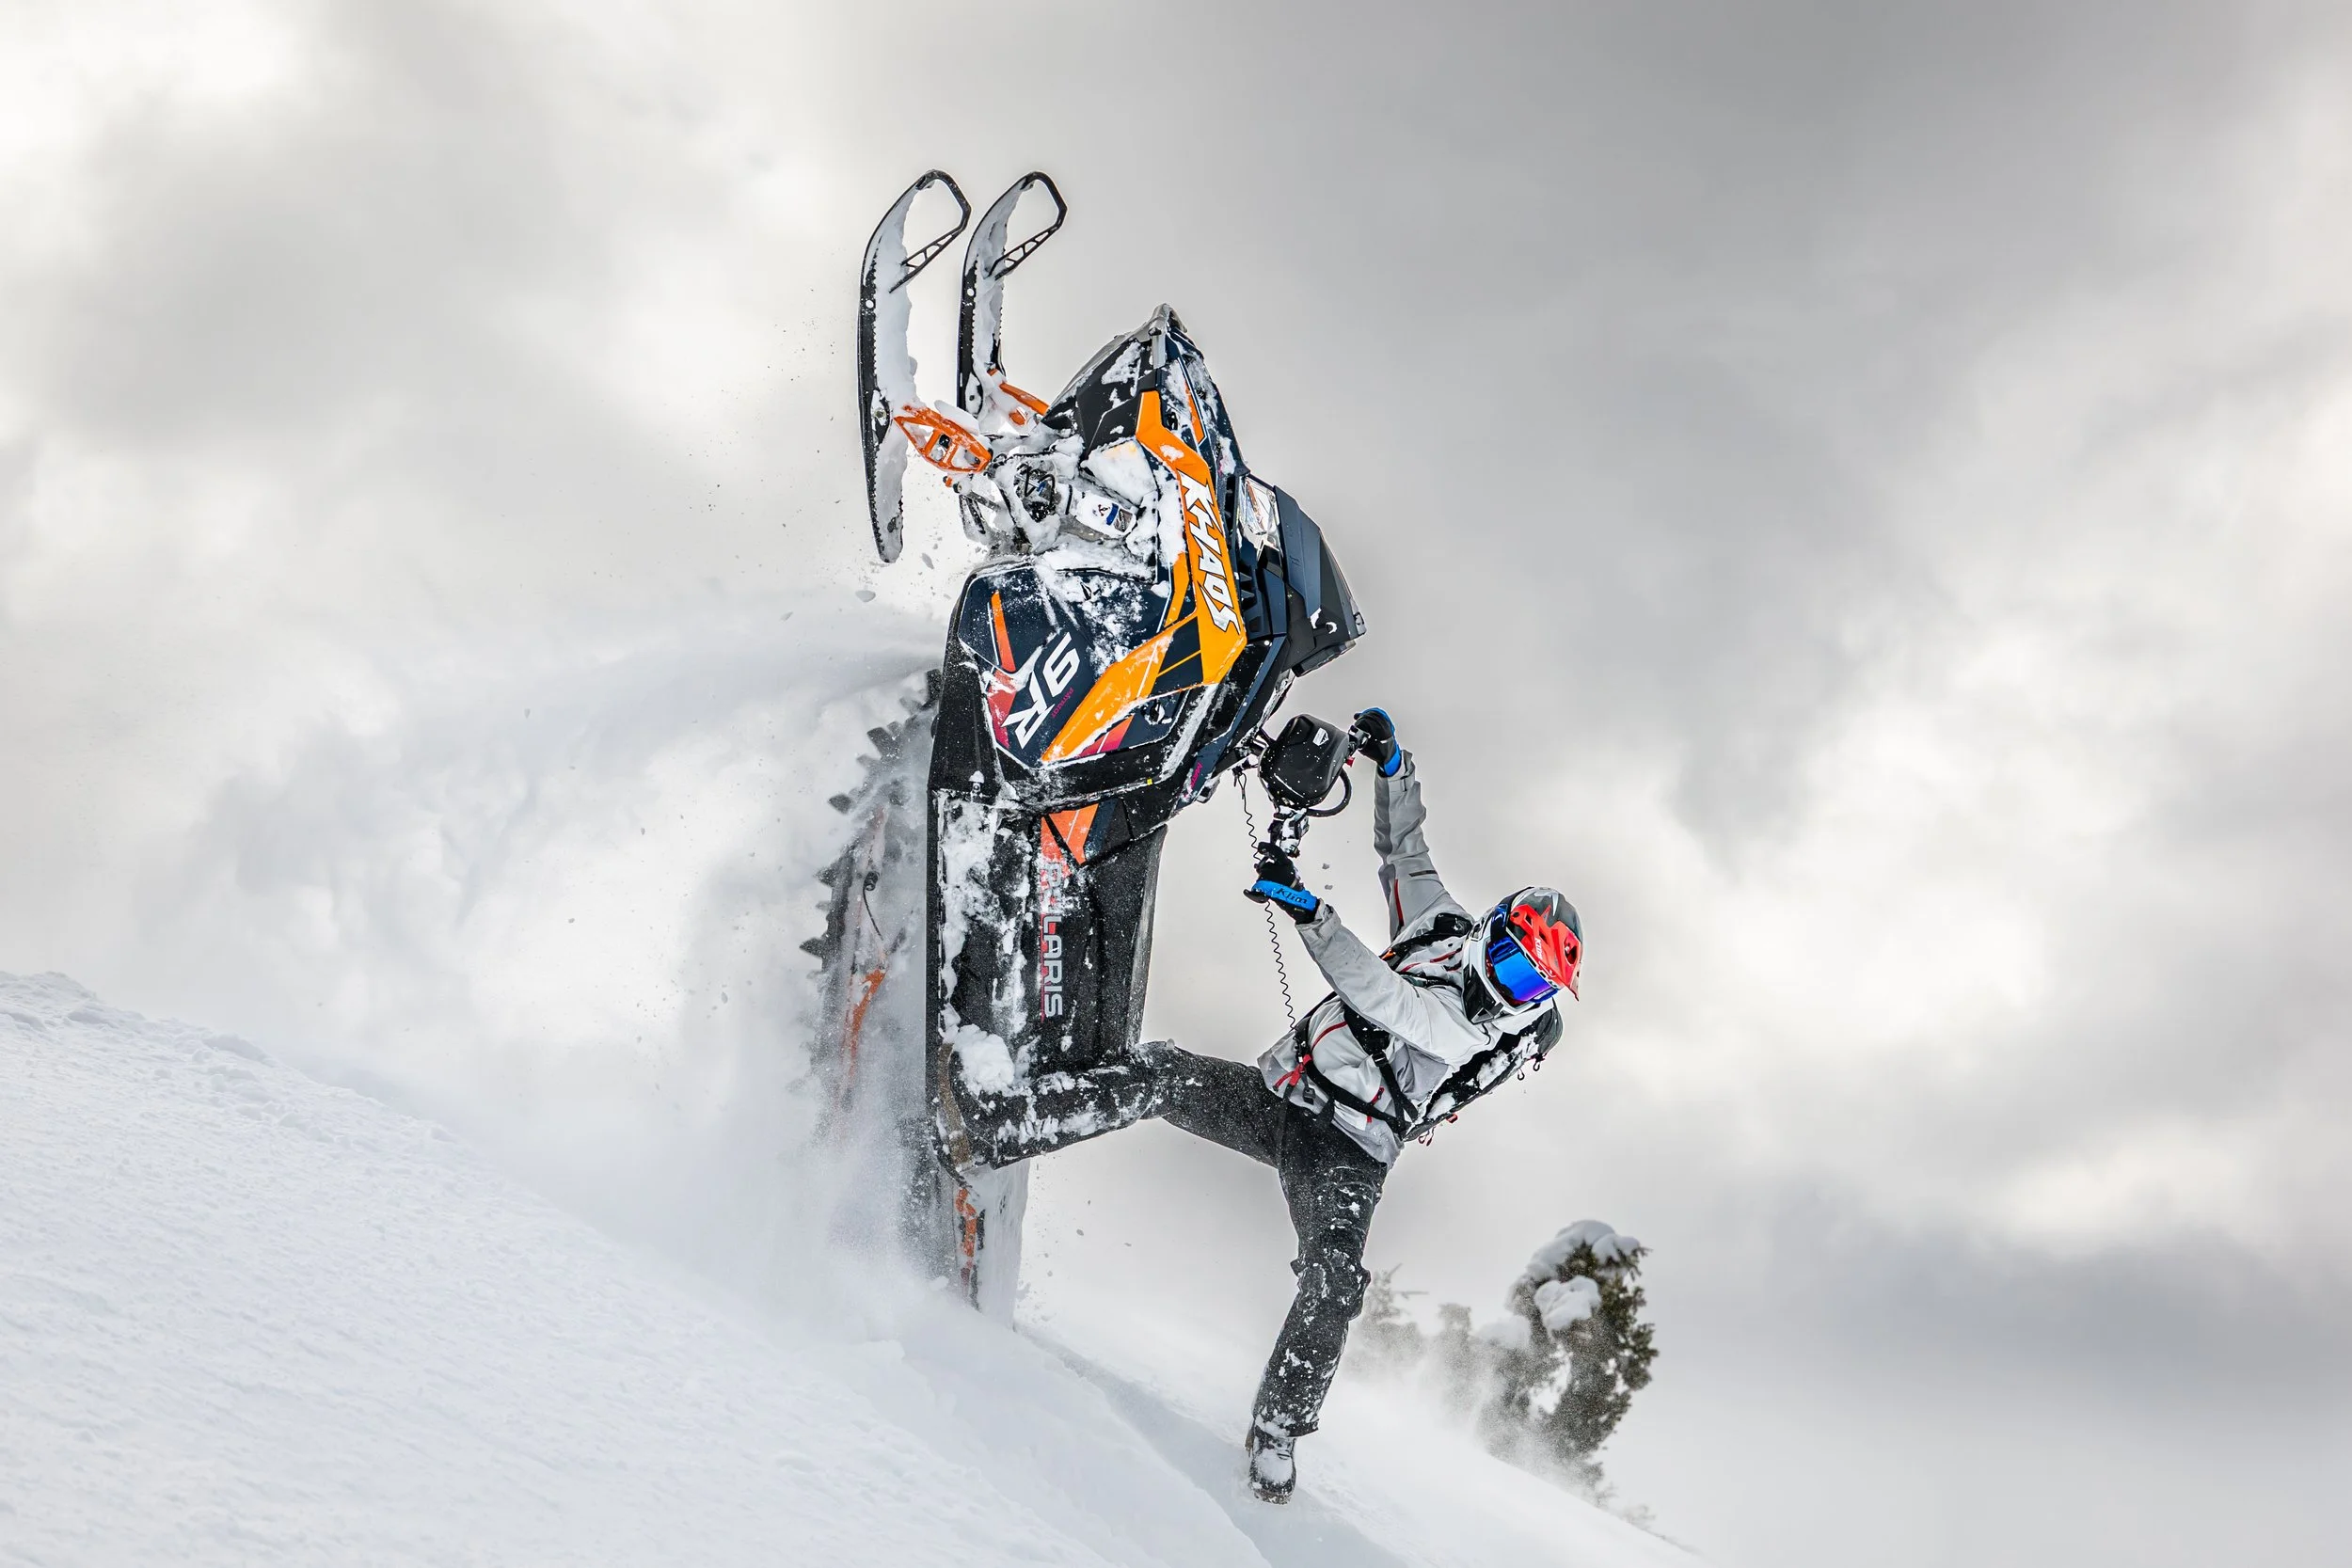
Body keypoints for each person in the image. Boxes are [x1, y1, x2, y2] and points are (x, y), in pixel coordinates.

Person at [961, 707, 1581, 1503]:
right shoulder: (1445, 930)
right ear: (1491, 929)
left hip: (1348, 1153)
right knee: (1163, 1073)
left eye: (1530, 981)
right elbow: (1406, 850)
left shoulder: (1468, 1033)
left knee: (1333, 1280)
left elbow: (1383, 995)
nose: (1508, 979)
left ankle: (1278, 1435)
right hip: (1283, 1096)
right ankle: (1010, 1123)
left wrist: (1308, 911)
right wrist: (1393, 768)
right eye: (1507, 954)